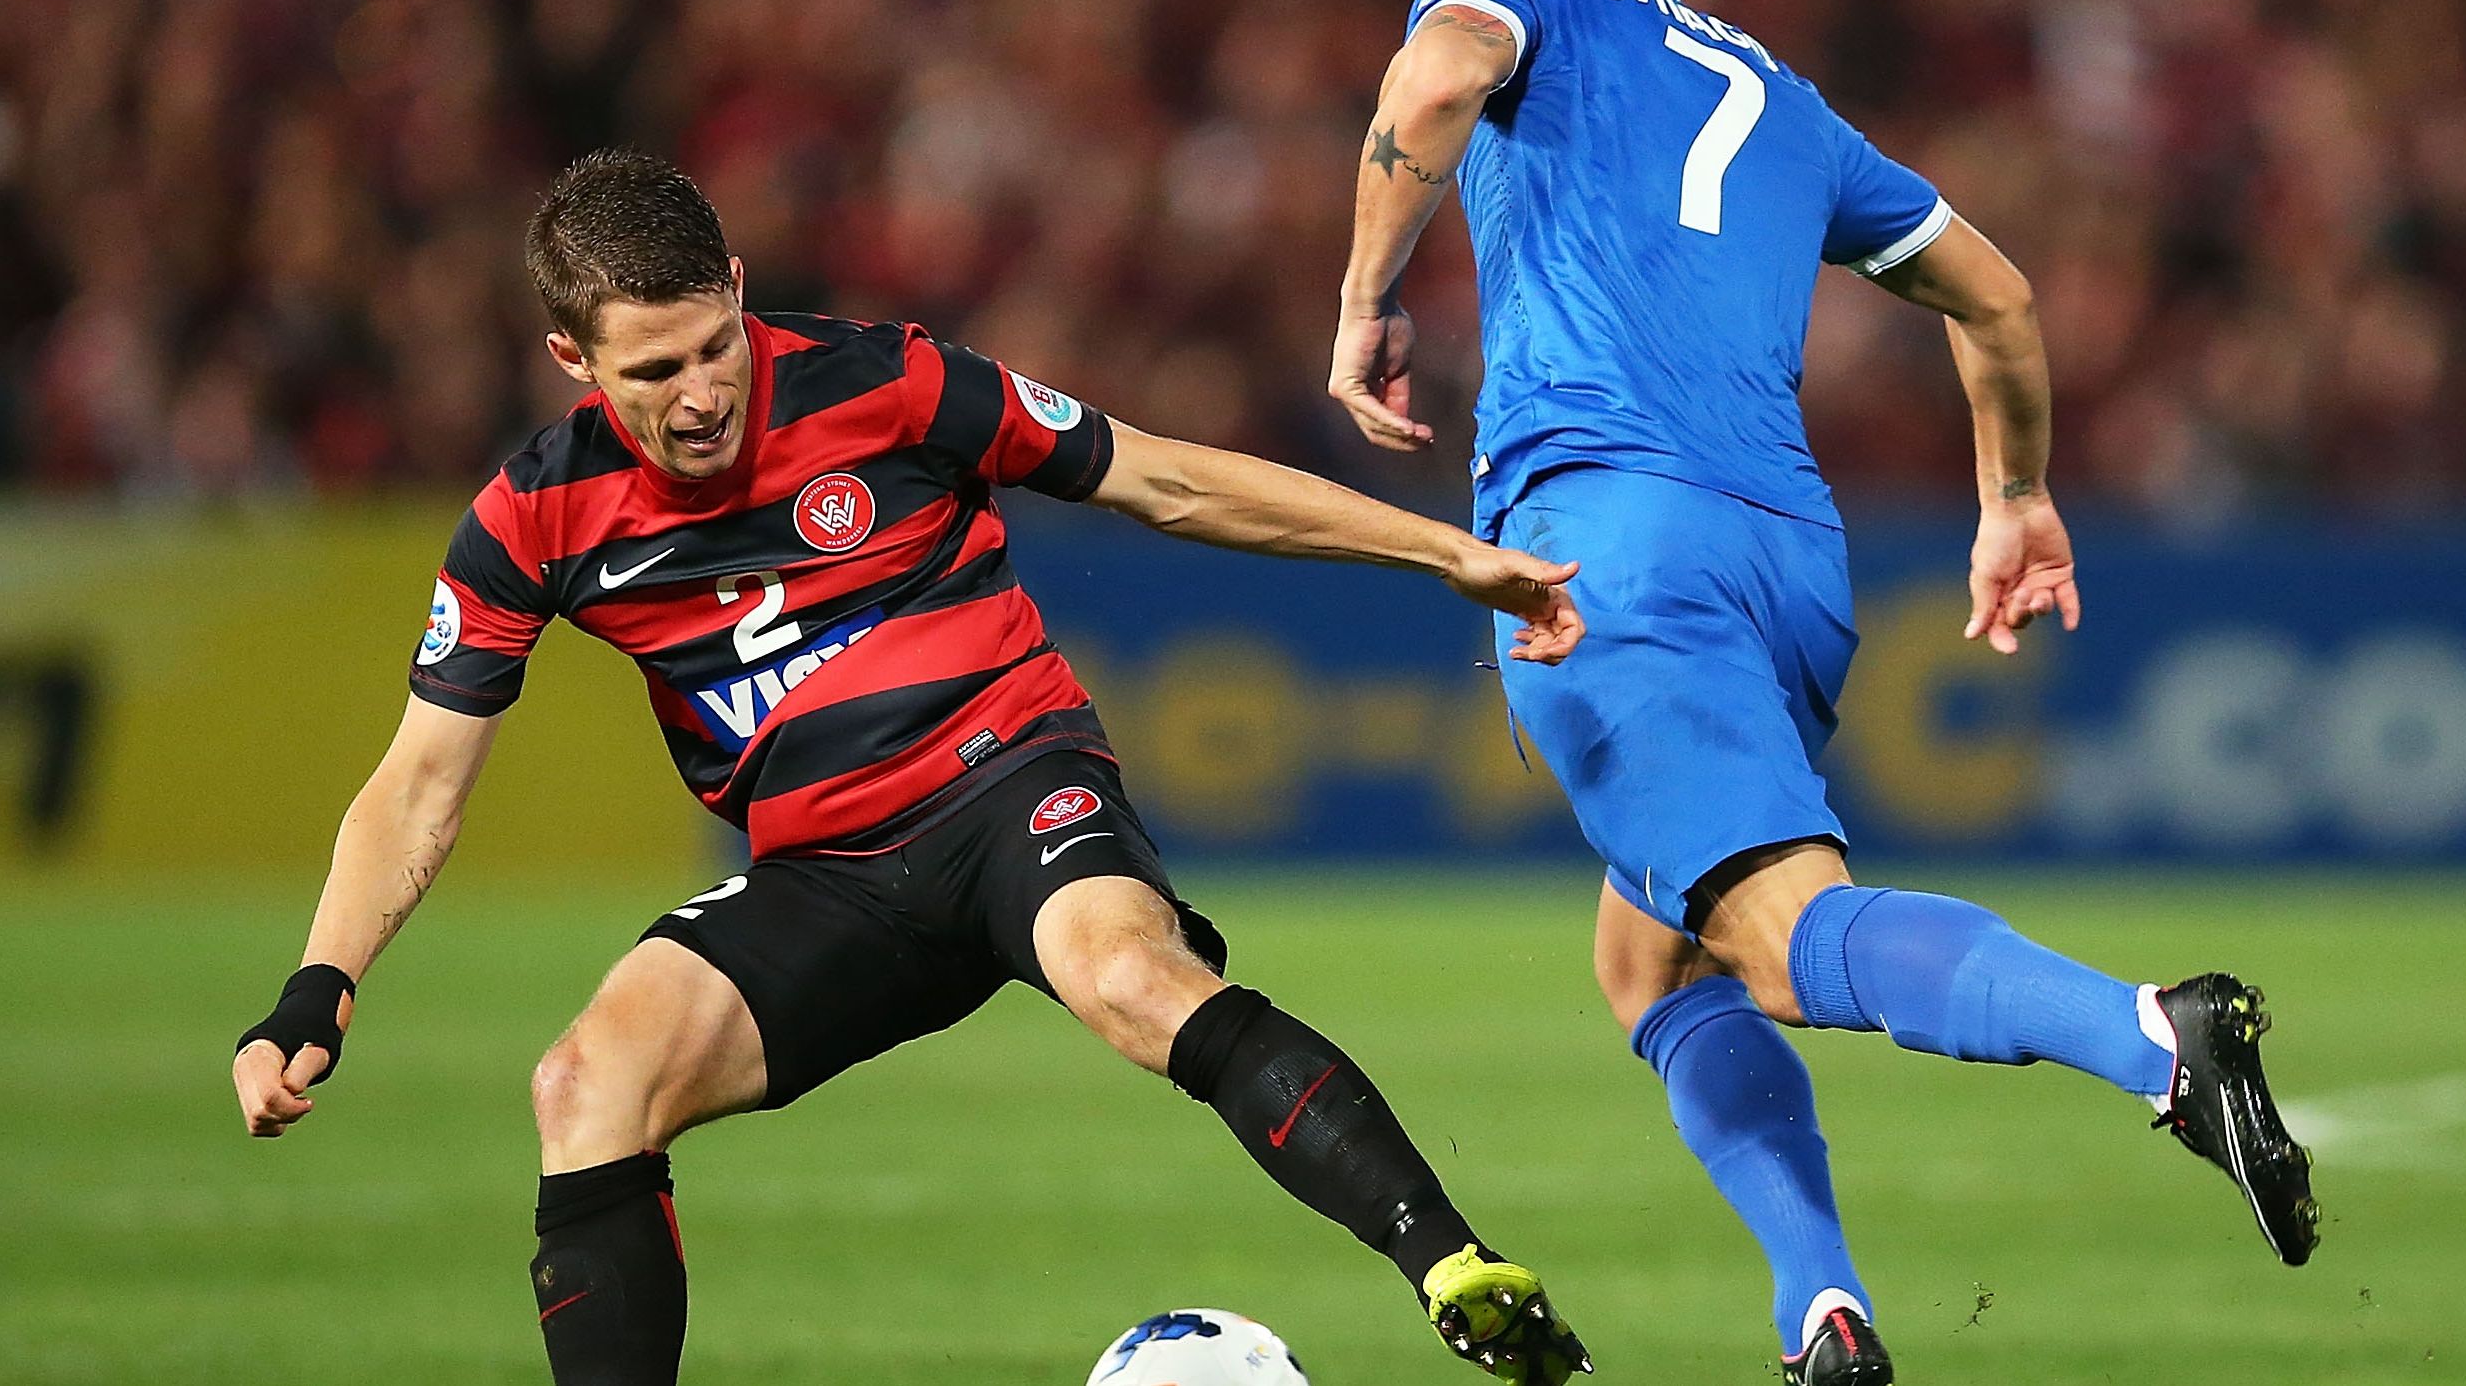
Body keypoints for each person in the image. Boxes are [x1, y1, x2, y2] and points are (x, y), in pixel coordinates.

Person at [231, 149, 1595, 1386]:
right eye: (654, 374)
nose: (703, 397)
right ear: (572, 359)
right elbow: (420, 779)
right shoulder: (533, 516)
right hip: (825, 879)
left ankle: (1453, 1265)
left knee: (1130, 973)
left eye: (718, 346)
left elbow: (1163, 480)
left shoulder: (888, 381)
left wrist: (1445, 552)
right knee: (586, 1081)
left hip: (1011, 787)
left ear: (743, 293)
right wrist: (320, 982)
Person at [1324, 0, 2317, 1386]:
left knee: (1782, 940)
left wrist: (1367, 294)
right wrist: (2017, 498)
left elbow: (1435, 81)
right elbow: (1994, 297)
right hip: (1790, 555)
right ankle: (1824, 1314)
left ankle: (2152, 1036)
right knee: (1647, 955)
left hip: (1606, 542)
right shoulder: (1783, 97)